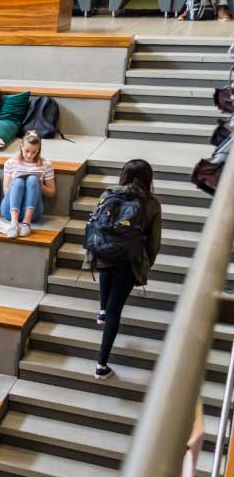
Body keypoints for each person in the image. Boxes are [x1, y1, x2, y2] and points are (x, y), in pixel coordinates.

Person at [89, 160, 162, 380]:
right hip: (130, 260)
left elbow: (96, 224)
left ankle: (102, 309)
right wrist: (146, 263)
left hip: (104, 252)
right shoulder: (151, 204)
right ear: (148, 179)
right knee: (116, 310)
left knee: (107, 263)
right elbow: (154, 243)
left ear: (124, 175)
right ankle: (101, 365)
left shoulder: (108, 194)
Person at [1, 132, 57, 239]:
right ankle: (14, 223)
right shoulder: (11, 163)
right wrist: (16, 184)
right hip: (10, 209)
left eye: (34, 152)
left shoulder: (46, 164)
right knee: (18, 182)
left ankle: (26, 223)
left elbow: (52, 193)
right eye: (27, 151)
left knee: (32, 179)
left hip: (33, 212)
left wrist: (40, 185)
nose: (29, 155)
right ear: (21, 147)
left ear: (38, 150)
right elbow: (6, 191)